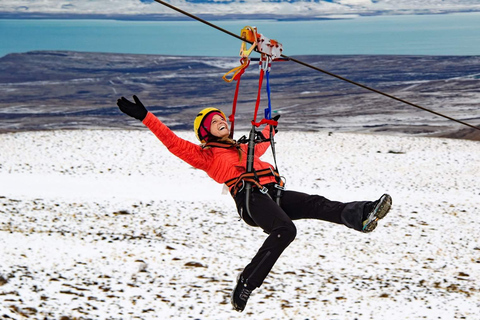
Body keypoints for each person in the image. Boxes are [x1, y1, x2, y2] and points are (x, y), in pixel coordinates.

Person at [116, 95, 392, 312]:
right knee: (286, 230)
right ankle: (247, 282)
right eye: (215, 122)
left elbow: (263, 142)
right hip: (249, 198)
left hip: (272, 192)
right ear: (205, 133)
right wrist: (146, 117)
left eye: (223, 119)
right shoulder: (205, 155)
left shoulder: (243, 148)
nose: (221, 121)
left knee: (315, 203)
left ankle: (363, 214)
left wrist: (269, 127)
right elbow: (173, 143)